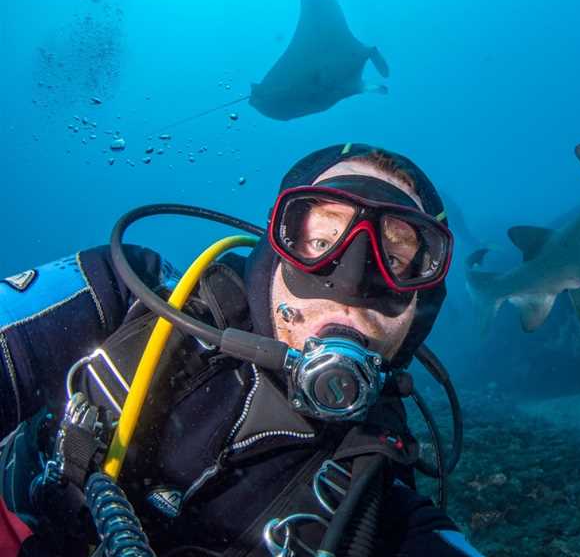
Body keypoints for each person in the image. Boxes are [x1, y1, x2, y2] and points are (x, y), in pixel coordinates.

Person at [0, 143, 483, 557]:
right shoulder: (123, 295)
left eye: (395, 258)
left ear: (422, 306)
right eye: (320, 239)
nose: (351, 282)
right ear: (273, 252)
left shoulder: (377, 494)